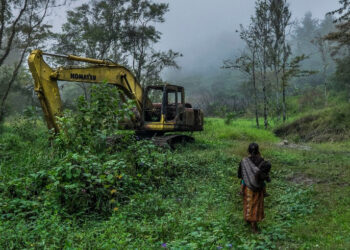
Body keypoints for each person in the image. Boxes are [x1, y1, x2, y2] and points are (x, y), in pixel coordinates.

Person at [237, 143, 271, 233]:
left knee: (248, 203)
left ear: (248, 150)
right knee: (256, 205)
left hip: (247, 187)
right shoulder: (262, 160)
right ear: (258, 150)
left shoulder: (244, 161)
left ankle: (248, 219)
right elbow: (264, 175)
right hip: (258, 187)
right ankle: (254, 226)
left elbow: (240, 175)